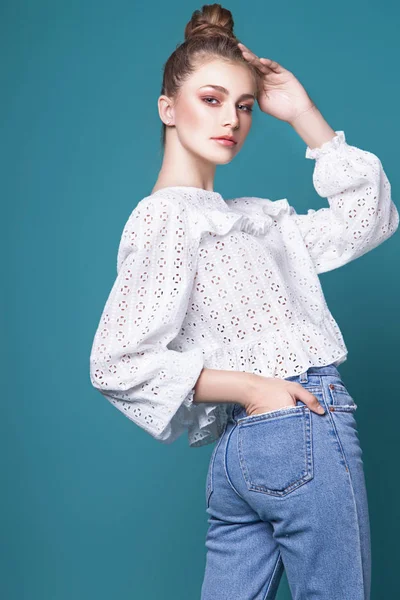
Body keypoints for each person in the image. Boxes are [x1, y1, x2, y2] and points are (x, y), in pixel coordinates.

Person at [89, 4, 399, 599]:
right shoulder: (169, 218)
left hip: (241, 454)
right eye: (211, 99)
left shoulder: (255, 221)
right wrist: (255, 388)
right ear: (167, 108)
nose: (231, 118)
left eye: (244, 105)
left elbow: (370, 219)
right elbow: (116, 362)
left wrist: (303, 113)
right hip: (298, 423)